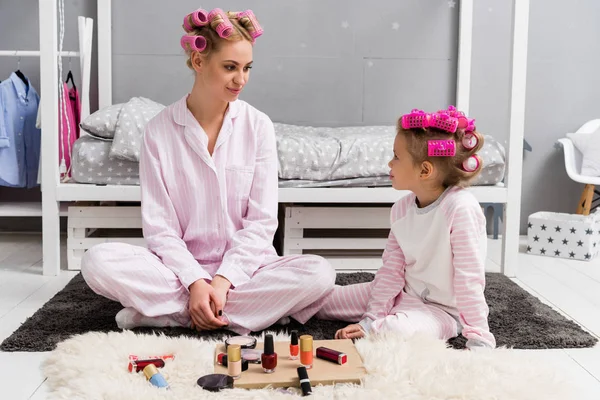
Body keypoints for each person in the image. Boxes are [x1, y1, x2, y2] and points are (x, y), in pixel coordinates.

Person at [81, 8, 335, 335]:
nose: (241, 79)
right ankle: (247, 314)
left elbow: (261, 222)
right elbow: (160, 229)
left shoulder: (258, 127)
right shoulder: (158, 132)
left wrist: (223, 280)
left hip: (246, 271)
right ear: (199, 62)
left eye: (247, 68)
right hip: (177, 272)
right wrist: (195, 282)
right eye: (230, 67)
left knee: (320, 273)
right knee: (97, 262)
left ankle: (168, 314)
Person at [316, 107, 496, 350]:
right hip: (402, 294)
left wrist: (479, 337)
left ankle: (385, 324)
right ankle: (274, 305)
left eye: (396, 157)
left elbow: (469, 280)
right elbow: (391, 270)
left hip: (441, 313)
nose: (389, 163)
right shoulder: (401, 209)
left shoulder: (460, 209)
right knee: (325, 301)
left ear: (425, 170)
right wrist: (371, 318)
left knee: (396, 330)